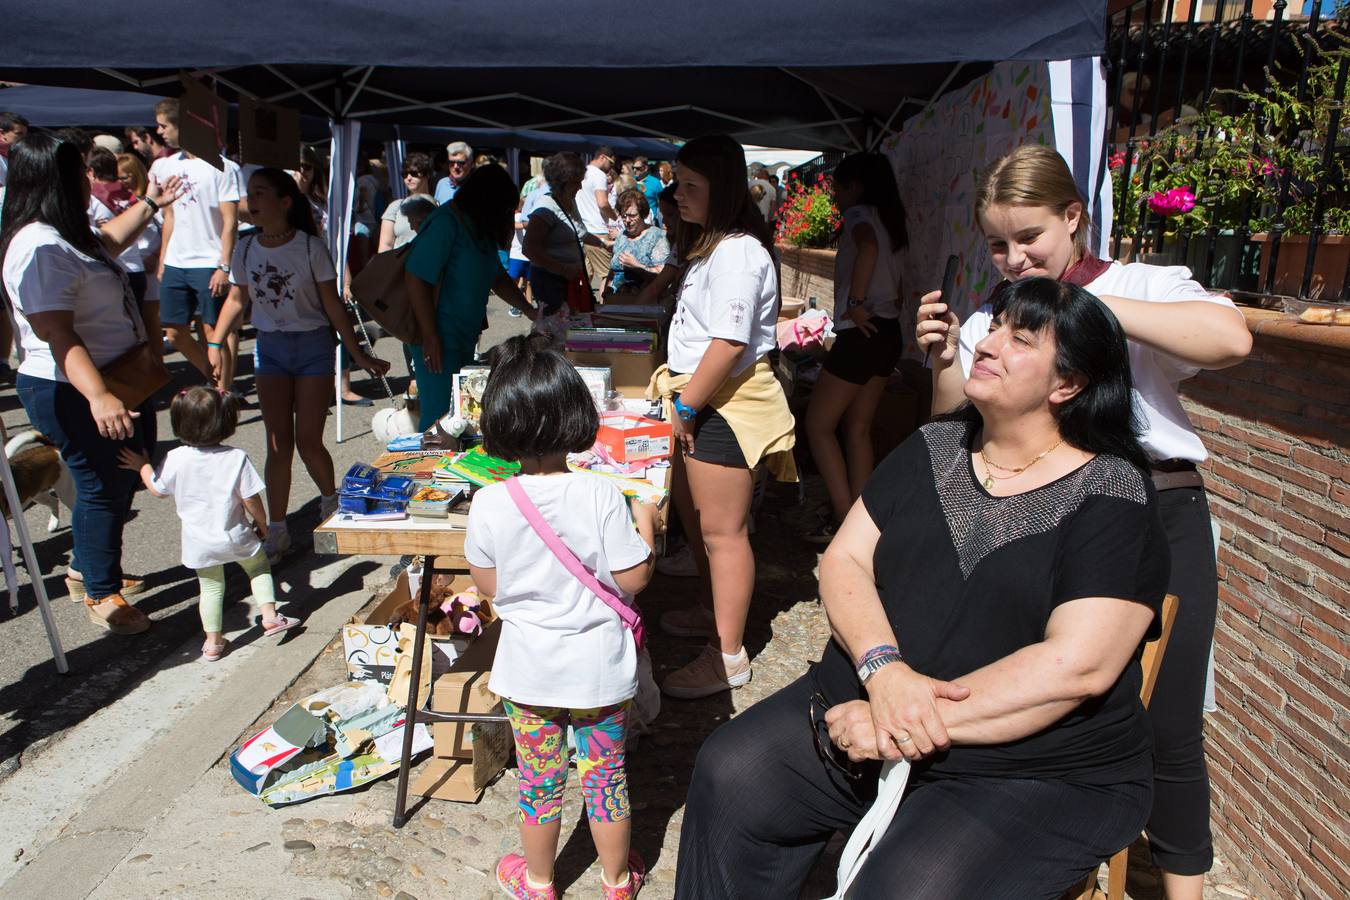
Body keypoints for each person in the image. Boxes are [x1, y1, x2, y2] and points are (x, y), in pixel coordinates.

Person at [676, 277, 1173, 898]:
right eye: (994, 327)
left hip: (1030, 767)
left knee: (907, 889)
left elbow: (1077, 667)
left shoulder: (1112, 495)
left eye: (1019, 339)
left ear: (1067, 385)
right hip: (863, 700)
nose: (987, 344)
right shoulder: (934, 446)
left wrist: (902, 721)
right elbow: (844, 561)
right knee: (731, 775)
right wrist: (884, 674)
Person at [917, 143, 1252, 900]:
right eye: (998, 243)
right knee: (1041, 702)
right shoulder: (992, 319)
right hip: (1046, 515)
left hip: (1161, 509)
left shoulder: (1141, 284)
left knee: (1168, 723)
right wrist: (942, 360)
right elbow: (951, 429)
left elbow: (1231, 340)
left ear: (1073, 217)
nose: (1013, 258)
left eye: (1028, 236)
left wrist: (1083, 306)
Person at [466, 334, 657, 900]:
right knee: (605, 780)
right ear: (576, 414)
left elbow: (491, 589)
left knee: (539, 783)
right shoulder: (600, 494)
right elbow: (633, 580)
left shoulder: (489, 503)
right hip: (599, 670)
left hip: (529, 673)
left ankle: (540, 881)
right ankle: (617, 882)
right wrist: (644, 520)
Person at [0, 132, 182, 633]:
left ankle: (89, 567)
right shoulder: (37, 244)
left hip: (115, 376)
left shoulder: (68, 233)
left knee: (124, 472)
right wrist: (98, 395)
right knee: (101, 483)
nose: (88, 179)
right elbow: (56, 331)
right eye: (77, 172)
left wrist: (150, 202)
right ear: (53, 181)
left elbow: (110, 242)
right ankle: (101, 590)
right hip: (73, 386)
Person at [651, 135, 797, 699]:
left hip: (721, 404)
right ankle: (717, 618)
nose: (677, 195)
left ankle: (728, 656)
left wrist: (686, 408)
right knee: (706, 533)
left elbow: (730, 342)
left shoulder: (737, 251)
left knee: (723, 535)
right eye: (677, 182)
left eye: (691, 185)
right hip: (705, 400)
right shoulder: (719, 247)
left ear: (724, 189)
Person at [207, 168, 390, 562]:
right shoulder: (244, 248)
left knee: (308, 440)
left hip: (312, 348)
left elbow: (332, 306)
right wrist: (214, 341)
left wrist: (358, 355)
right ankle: (277, 529)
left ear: (285, 201)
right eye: (248, 194)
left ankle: (330, 503)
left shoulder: (310, 247)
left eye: (259, 193)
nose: (250, 201)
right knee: (277, 445)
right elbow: (238, 300)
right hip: (270, 349)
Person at [119, 386, 301, 660]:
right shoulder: (236, 457)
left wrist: (143, 465)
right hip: (236, 535)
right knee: (259, 569)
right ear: (228, 422)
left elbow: (157, 490)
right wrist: (263, 525)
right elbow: (251, 499)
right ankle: (270, 617)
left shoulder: (176, 458)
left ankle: (213, 643)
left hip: (199, 543)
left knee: (211, 588)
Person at [804, 152, 910, 541]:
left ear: (856, 186)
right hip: (887, 331)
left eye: (838, 189)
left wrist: (855, 303)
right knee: (858, 428)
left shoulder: (860, 216)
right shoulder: (892, 217)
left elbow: (867, 250)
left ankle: (841, 515)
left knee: (818, 426)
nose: (835, 199)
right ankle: (861, 522)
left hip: (861, 332)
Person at [405, 165, 535, 430]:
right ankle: (431, 469)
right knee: (439, 419)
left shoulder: (477, 226)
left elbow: (496, 277)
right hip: (438, 339)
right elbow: (416, 277)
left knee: (461, 416)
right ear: (487, 201)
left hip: (463, 336)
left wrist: (530, 310)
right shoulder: (446, 223)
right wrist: (429, 336)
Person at [150, 98, 242, 391]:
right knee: (174, 333)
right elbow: (169, 217)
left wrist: (224, 265)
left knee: (213, 332)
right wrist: (163, 258)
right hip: (178, 261)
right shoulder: (163, 165)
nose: (159, 131)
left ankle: (222, 393)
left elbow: (230, 221)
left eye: (164, 125)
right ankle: (213, 379)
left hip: (209, 261)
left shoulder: (223, 167)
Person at [521, 152, 605, 338]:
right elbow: (529, 248)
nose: (580, 187)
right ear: (563, 182)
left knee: (571, 331)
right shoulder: (545, 208)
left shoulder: (569, 201)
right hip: (551, 283)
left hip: (568, 282)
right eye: (576, 182)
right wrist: (562, 268)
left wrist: (605, 244)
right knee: (555, 335)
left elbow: (580, 232)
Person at [607, 188, 669, 297]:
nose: (627, 221)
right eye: (624, 216)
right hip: (616, 299)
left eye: (632, 215)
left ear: (643, 214)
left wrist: (637, 266)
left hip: (644, 299)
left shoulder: (657, 236)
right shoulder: (621, 236)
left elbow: (663, 276)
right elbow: (612, 271)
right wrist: (606, 290)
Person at [576, 146, 619, 296]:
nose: (611, 167)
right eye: (611, 163)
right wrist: (616, 217)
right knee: (608, 275)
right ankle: (603, 310)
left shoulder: (582, 172)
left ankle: (581, 308)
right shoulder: (599, 175)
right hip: (598, 231)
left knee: (585, 275)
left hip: (582, 231)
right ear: (602, 157)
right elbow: (603, 203)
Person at [377, 151, 435, 252]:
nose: (408, 178)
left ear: (427, 174)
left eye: (413, 173)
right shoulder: (395, 207)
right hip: (400, 266)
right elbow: (385, 246)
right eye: (404, 174)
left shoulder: (438, 206)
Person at [433, 140, 474, 204]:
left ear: (471, 164)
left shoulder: (478, 187)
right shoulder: (442, 183)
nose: (456, 166)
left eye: (461, 163)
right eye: (451, 162)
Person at [633, 157, 663, 224]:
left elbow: (661, 203)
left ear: (645, 168)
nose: (634, 170)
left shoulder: (655, 183)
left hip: (650, 221)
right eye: (633, 168)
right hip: (634, 220)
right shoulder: (631, 181)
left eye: (638, 168)